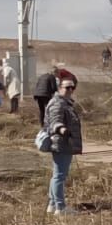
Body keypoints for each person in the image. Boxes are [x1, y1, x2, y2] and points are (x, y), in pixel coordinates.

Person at [44, 76, 82, 214]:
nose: (70, 90)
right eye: (67, 87)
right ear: (59, 88)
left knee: (57, 174)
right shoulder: (57, 103)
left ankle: (52, 204)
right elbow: (55, 120)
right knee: (59, 176)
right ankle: (60, 207)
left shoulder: (65, 102)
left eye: (72, 87)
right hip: (61, 143)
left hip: (65, 142)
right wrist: (62, 129)